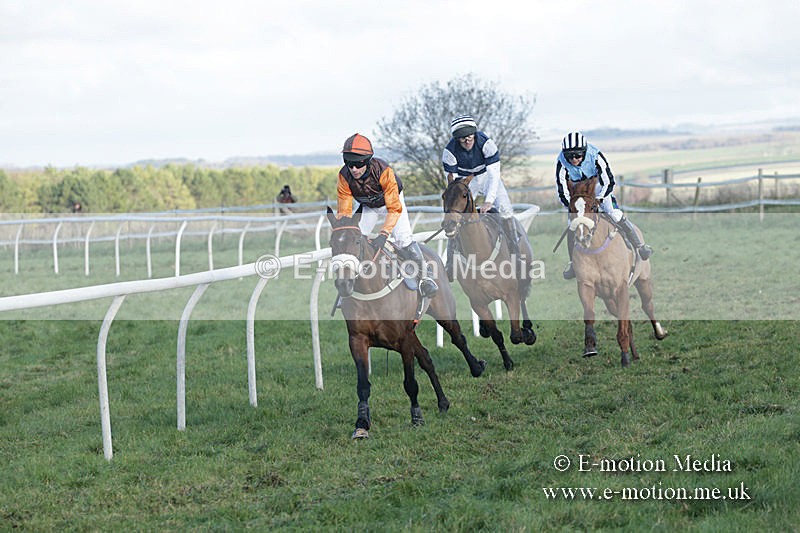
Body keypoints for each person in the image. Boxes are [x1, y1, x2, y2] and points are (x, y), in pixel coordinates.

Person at [337, 133, 438, 298]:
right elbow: (345, 211)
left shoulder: (383, 171)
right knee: (354, 238)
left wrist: (384, 234)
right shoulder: (344, 176)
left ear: (367, 161)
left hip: (392, 203)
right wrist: (345, 230)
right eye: (348, 162)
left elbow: (394, 209)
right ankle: (349, 282)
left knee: (403, 239)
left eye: (358, 163)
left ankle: (426, 278)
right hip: (368, 206)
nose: (353, 169)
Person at [556, 131, 653, 280]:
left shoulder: (595, 156)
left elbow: (609, 181)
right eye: (570, 156)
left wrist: (599, 200)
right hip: (577, 190)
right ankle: (573, 263)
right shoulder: (561, 162)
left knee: (614, 213)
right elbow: (562, 190)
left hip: (598, 186)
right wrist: (573, 207)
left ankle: (640, 247)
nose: (574, 159)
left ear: (584, 152)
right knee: (573, 223)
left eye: (577, 155)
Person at [441, 114, 521, 280]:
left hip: (487, 177)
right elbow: (452, 183)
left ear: (474, 134)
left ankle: (515, 252)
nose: (467, 141)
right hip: (465, 181)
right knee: (456, 217)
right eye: (462, 138)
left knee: (505, 209)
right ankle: (450, 262)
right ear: (456, 139)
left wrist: (489, 201)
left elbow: (494, 175)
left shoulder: (486, 144)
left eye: (469, 136)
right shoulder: (449, 152)